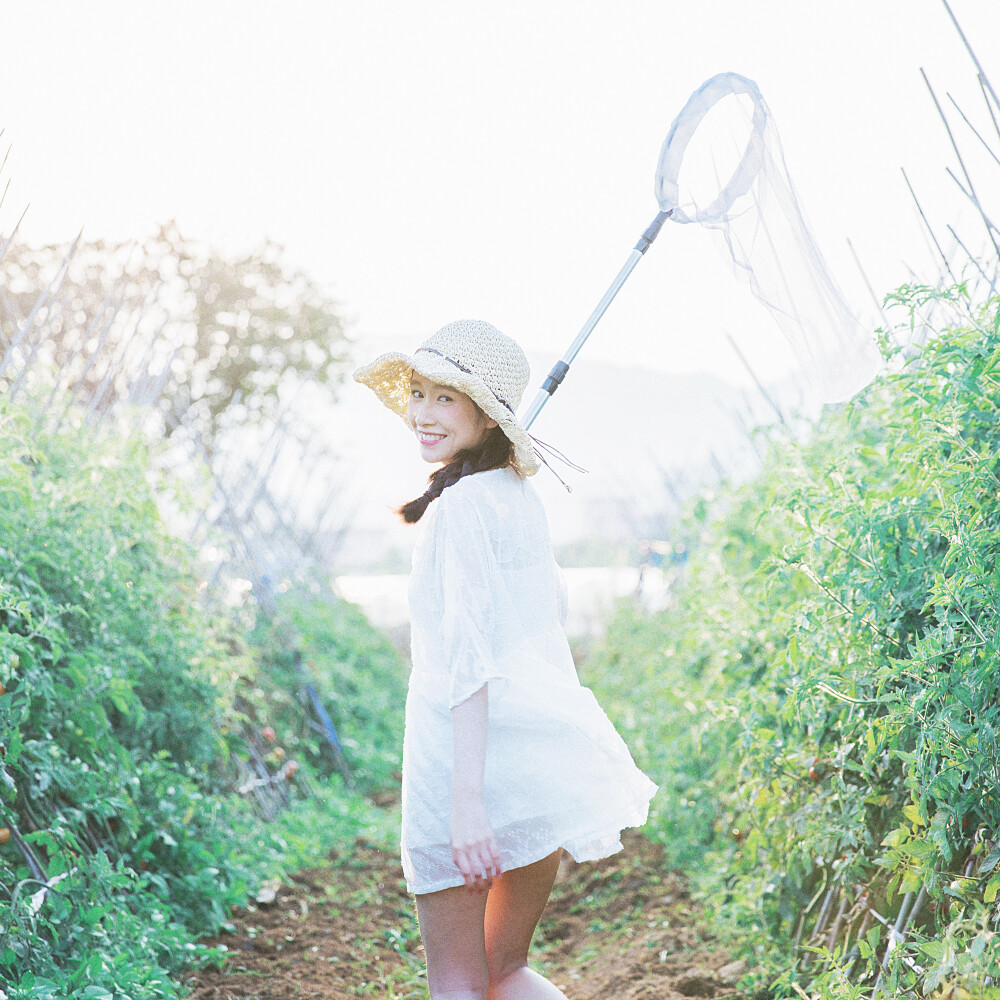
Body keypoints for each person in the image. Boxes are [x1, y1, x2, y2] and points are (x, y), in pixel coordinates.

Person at [354, 319, 657, 999]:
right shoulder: (518, 501)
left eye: (446, 400)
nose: (423, 415)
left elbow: (466, 663)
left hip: (463, 769)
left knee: (459, 981)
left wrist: (466, 806)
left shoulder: (459, 510)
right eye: (420, 395)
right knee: (506, 970)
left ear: (486, 418)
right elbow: (543, 626)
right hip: (533, 763)